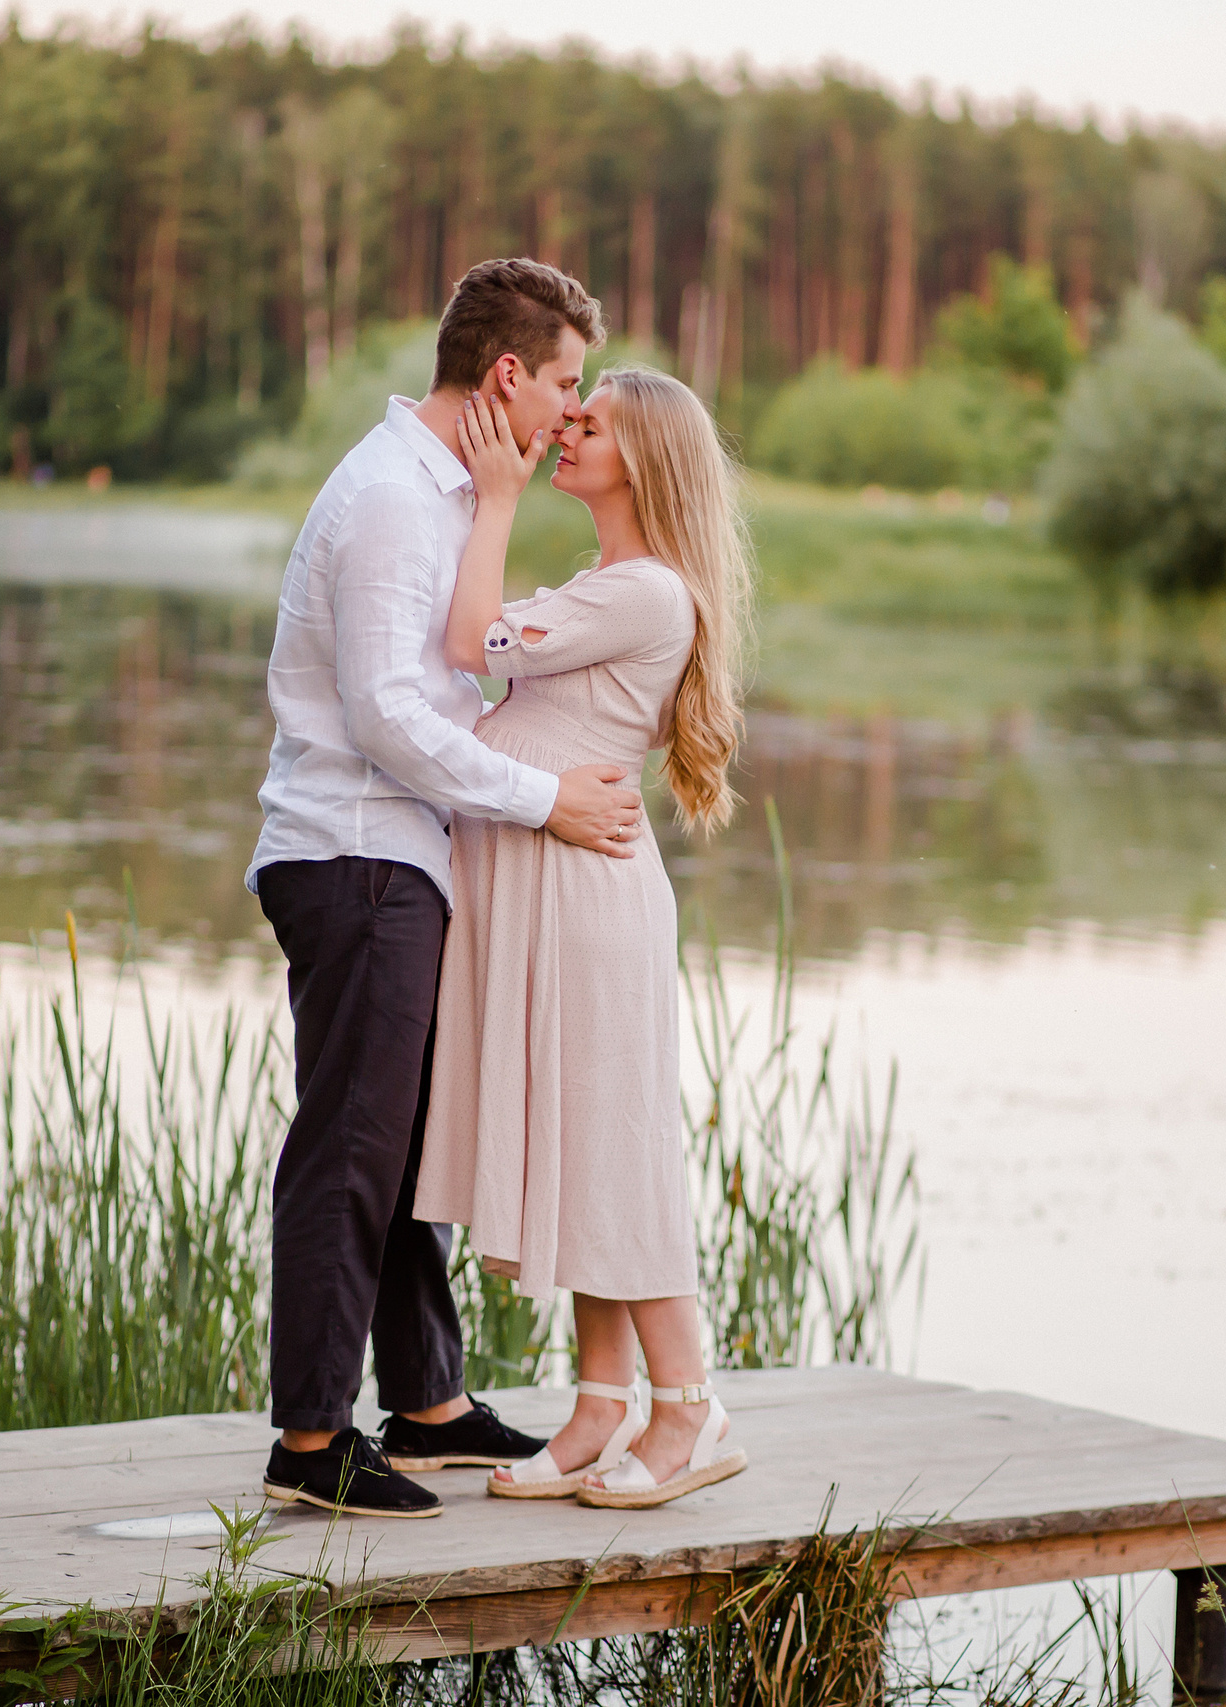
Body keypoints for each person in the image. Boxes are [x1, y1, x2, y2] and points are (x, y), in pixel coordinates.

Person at [249, 258, 644, 1521]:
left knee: (402, 1139)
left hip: (396, 855)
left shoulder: (447, 494)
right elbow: (386, 719)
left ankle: (424, 1406)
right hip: (355, 855)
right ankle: (311, 1442)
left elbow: (451, 678)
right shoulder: (386, 501)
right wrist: (547, 801)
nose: (568, 413)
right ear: (508, 373)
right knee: (352, 1149)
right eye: (565, 382)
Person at [414, 365, 754, 1510]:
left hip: (588, 900)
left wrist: (494, 496)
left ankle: (690, 1408)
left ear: (643, 458)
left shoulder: (644, 592)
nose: (565, 429)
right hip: (559, 889)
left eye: (589, 424)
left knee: (615, 1153)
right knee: (584, 1149)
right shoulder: (609, 582)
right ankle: (602, 1407)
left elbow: (468, 643)